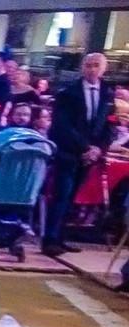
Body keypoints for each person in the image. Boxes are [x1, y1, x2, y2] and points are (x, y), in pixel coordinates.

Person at [44, 52, 114, 257]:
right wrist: (85, 148)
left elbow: (108, 124)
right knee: (61, 196)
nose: (92, 69)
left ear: (104, 69)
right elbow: (62, 125)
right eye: (88, 65)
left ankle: (61, 237)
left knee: (72, 197)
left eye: (96, 65)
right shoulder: (68, 92)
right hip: (68, 152)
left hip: (91, 155)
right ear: (82, 67)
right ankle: (50, 239)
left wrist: (99, 149)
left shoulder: (107, 92)